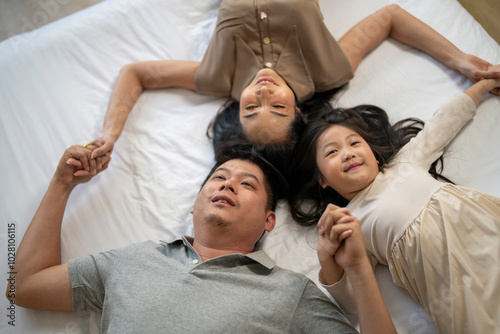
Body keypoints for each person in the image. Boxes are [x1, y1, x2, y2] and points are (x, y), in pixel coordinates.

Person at [6, 144, 396, 333]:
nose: (228, 184)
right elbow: (23, 287)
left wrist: (358, 267)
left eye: (247, 184)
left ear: (269, 220)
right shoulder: (131, 260)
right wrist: (62, 185)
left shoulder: (289, 292)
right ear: (194, 208)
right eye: (218, 178)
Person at [79, 0, 500, 174]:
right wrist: (462, 61)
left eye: (250, 108)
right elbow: (390, 17)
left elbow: (136, 73)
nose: (262, 93)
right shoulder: (328, 72)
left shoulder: (218, 79)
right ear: (298, 111)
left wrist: (109, 136)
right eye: (276, 108)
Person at [287, 65, 500, 333]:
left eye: (354, 143)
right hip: (456, 285)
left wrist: (484, 83)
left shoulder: (405, 162)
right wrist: (327, 259)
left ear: (374, 155)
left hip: (486, 231)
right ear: (323, 180)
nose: (348, 153)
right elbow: (353, 301)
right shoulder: (353, 223)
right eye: (332, 152)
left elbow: (444, 122)